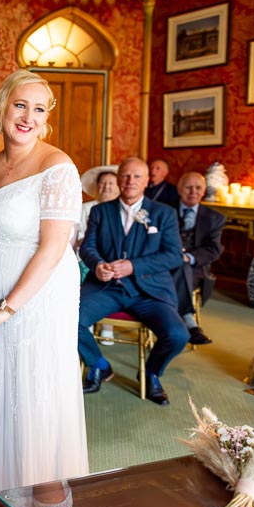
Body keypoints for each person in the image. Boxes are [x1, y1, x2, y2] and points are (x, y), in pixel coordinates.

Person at [0, 68, 88, 507]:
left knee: (34, 401)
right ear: (3, 107)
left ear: (47, 119)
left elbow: (54, 248)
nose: (28, 116)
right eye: (20, 105)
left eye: (39, 109)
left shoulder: (58, 167)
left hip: (38, 299)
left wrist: (6, 309)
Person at [78, 157, 189, 405]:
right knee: (68, 319)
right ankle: (98, 364)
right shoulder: (99, 211)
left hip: (148, 291)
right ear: (118, 179)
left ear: (147, 181)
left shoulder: (164, 214)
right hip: (106, 288)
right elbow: (88, 247)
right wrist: (97, 265)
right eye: (125, 176)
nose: (130, 181)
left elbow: (173, 256)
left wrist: (133, 266)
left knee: (178, 334)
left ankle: (151, 373)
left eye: (137, 176)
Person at [172, 172, 225, 345]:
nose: (193, 191)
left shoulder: (215, 218)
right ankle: (189, 323)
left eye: (198, 188)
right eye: (188, 187)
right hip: (164, 262)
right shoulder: (164, 210)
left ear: (203, 191)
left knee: (183, 267)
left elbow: (214, 248)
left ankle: (179, 320)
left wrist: (189, 257)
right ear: (180, 189)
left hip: (196, 269)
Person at [78, 165, 119, 344]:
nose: (107, 187)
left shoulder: (121, 210)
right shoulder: (85, 208)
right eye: (103, 183)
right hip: (84, 256)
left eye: (111, 183)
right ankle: (87, 317)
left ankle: (107, 326)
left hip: (113, 260)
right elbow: (77, 236)